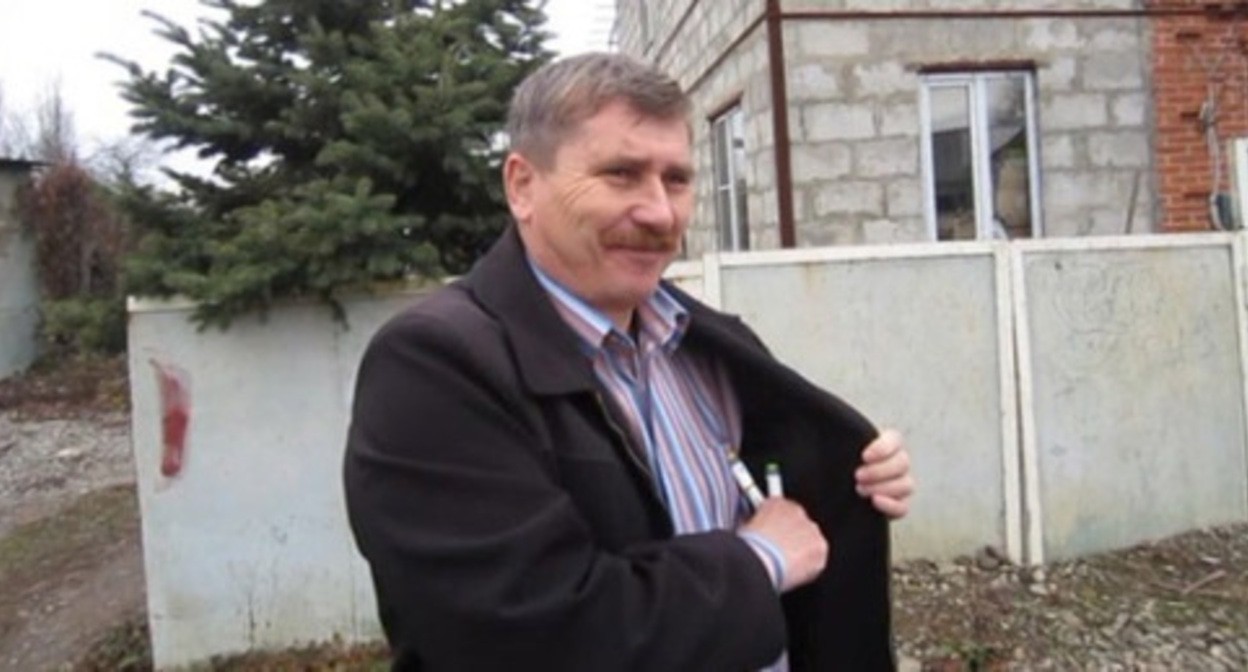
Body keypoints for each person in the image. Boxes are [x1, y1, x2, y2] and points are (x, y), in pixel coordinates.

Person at [344, 52, 915, 672]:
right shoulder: (434, 368)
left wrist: (851, 475)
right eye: (621, 174)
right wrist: (761, 562)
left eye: (677, 180)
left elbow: (777, 496)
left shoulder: (709, 347)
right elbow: (529, 632)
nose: (660, 213)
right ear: (522, 186)